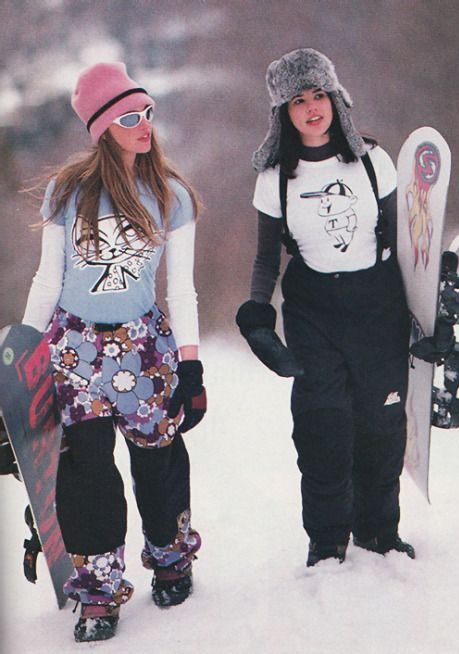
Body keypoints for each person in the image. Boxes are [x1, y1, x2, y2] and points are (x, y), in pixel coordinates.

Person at [22, 62, 206, 642]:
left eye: (148, 112)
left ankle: (170, 557)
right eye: (130, 117)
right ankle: (99, 592)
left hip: (144, 348)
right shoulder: (68, 192)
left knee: (159, 459)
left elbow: (181, 288)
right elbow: (47, 282)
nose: (144, 124)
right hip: (75, 349)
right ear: (103, 128)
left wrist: (192, 363)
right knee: (86, 471)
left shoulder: (170, 195)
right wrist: (23, 356)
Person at [236, 48, 415, 567]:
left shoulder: (374, 162)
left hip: (378, 304)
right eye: (298, 99)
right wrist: (255, 314)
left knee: (381, 427)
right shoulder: (275, 178)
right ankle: (327, 539)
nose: (312, 107)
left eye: (319, 94)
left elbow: (406, 245)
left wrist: (426, 312)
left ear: (336, 98)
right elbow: (267, 258)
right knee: (322, 424)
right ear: (282, 112)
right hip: (314, 309)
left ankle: (379, 532)